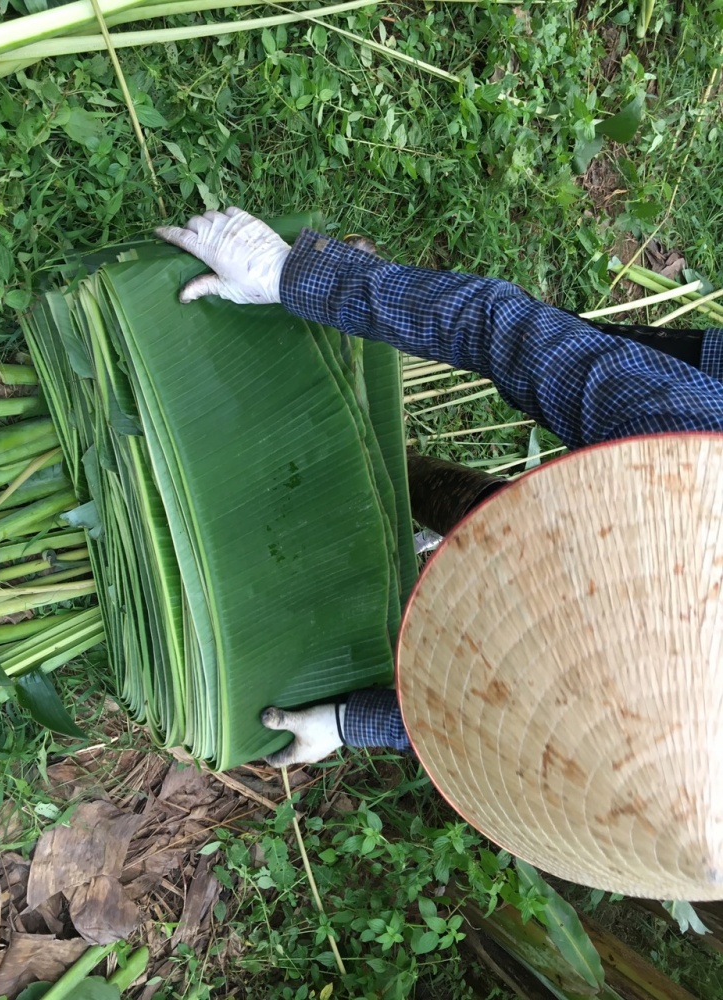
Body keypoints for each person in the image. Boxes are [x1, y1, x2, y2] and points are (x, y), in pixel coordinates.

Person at [157, 208, 723, 900]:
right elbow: (501, 330)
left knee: (513, 534)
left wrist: (349, 722)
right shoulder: (687, 438)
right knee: (593, 365)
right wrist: (292, 274)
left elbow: (514, 726)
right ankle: (351, 304)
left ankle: (410, 476)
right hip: (683, 436)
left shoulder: (667, 771)